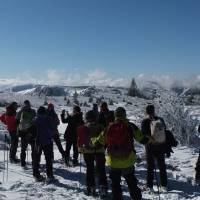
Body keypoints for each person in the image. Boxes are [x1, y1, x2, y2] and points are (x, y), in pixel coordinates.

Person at [92, 107, 150, 200]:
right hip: (128, 161)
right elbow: (142, 139)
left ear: (115, 116)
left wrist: (92, 140)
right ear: (124, 115)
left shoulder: (109, 127)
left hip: (113, 161)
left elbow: (98, 142)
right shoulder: (131, 126)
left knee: (115, 185)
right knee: (132, 183)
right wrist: (149, 139)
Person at [77, 110, 108, 197]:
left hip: (87, 151)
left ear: (86, 118)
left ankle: (91, 188)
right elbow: (105, 139)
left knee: (89, 169)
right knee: (101, 169)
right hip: (99, 151)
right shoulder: (101, 127)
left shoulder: (84, 127)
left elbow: (80, 140)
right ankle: (103, 188)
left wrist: (80, 149)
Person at [141, 104, 168, 191]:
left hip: (150, 146)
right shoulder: (160, 119)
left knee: (150, 166)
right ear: (154, 110)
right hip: (160, 145)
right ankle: (163, 185)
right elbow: (165, 130)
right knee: (162, 166)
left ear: (146, 111)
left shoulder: (145, 121)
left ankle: (149, 185)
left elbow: (143, 134)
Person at [33, 106, 54, 182]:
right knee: (48, 159)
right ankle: (50, 176)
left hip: (38, 142)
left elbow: (32, 131)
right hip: (48, 141)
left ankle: (36, 175)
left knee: (36, 159)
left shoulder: (35, 120)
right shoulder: (48, 119)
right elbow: (53, 128)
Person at [16, 100, 36, 168]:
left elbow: (16, 122)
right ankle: (34, 162)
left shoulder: (20, 112)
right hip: (31, 133)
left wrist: (18, 130)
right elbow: (35, 122)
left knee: (23, 149)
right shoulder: (33, 111)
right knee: (33, 148)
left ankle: (23, 163)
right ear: (29, 104)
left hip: (23, 132)